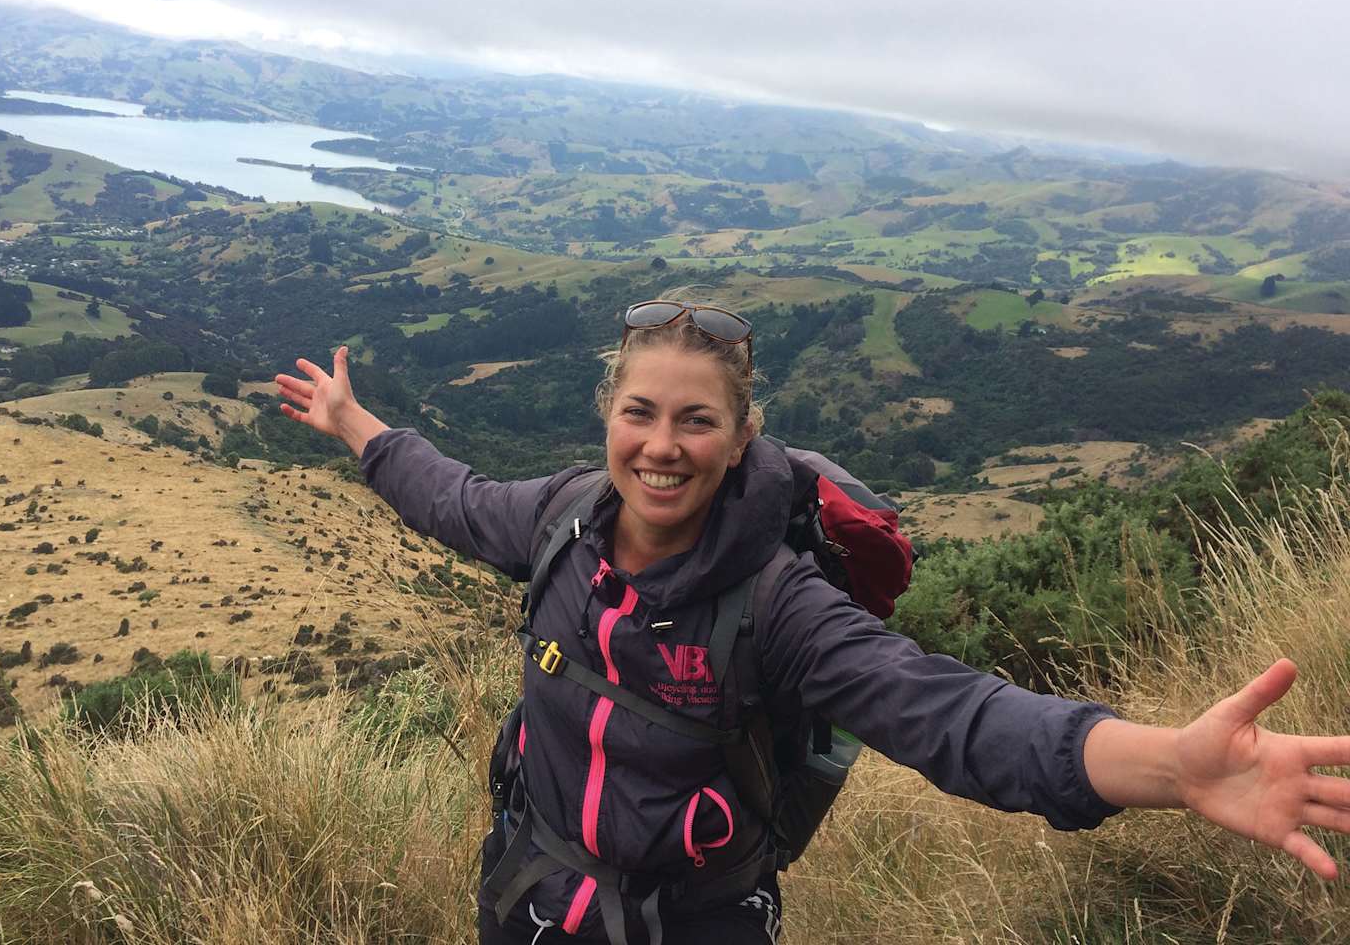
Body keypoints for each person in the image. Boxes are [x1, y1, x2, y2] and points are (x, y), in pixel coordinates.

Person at [277, 299, 1350, 945]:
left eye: (697, 420)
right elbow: (451, 496)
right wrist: (353, 422)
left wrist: (1170, 765)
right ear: (608, 417)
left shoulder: (778, 604)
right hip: (531, 897)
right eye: (639, 412)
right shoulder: (562, 519)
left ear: (741, 439)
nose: (662, 444)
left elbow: (953, 716)